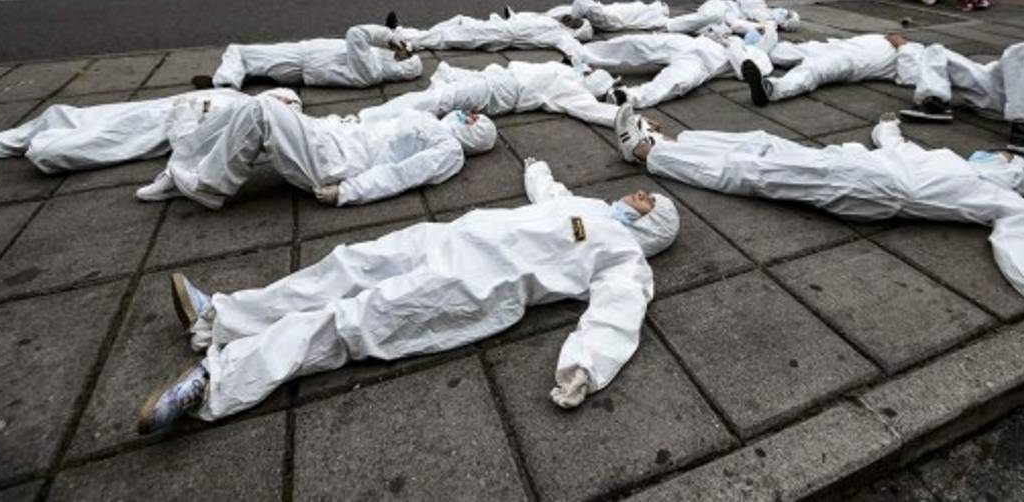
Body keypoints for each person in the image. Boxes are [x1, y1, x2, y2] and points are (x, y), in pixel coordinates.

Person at [136, 158, 680, 432]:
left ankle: (217, 382)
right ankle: (222, 317)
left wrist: (586, 366)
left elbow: (618, 314)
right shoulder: (589, 206)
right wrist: (535, 165)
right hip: (448, 238)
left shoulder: (625, 258)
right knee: (346, 265)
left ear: (652, 228)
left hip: (475, 286)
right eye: (646, 193)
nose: (640, 193)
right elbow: (550, 192)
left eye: (649, 202)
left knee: (353, 320)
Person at [614, 104, 1024, 347]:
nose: (994, 153)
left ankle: (649, 153)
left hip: (875, 188)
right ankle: (675, 141)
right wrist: (888, 125)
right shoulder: (948, 159)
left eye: (1004, 157)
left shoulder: (996, 193)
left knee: (757, 172)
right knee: (761, 143)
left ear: (1011, 172)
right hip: (861, 166)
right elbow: (893, 141)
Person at [136, 93, 497, 210]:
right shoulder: (429, 120)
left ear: (475, 136)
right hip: (333, 135)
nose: (469, 113)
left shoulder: (449, 150)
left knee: (260, 110)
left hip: (336, 162)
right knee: (267, 100)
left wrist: (350, 191)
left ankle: (210, 185)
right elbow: (373, 121)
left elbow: (403, 175)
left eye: (476, 120)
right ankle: (182, 165)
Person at [0, 88, 299, 173]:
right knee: (59, 116)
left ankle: (30, 147)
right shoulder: (235, 98)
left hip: (145, 130)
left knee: (58, 149)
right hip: (141, 111)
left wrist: (185, 115)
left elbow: (189, 142)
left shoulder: (241, 120)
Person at [358, 59, 620, 126]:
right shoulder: (566, 73)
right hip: (496, 80)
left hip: (500, 90)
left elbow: (594, 111)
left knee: (439, 100)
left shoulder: (572, 90)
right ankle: (380, 118)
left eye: (589, 73)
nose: (585, 71)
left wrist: (631, 121)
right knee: (443, 90)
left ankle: (370, 119)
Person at [579, 28, 773, 108]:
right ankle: (580, 54)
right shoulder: (728, 32)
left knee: (678, 82)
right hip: (686, 42)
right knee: (636, 42)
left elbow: (754, 70)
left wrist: (741, 55)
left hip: (703, 61)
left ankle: (628, 97)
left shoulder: (756, 53)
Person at [198, 25, 422, 90]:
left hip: (302, 61)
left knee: (239, 51)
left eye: (403, 55)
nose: (398, 51)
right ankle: (235, 78)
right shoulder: (374, 63)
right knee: (246, 57)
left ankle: (225, 86)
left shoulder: (371, 72)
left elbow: (356, 34)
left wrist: (387, 35)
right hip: (306, 54)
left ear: (400, 65)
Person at [743, 33, 915, 107]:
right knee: (783, 51)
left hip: (853, 61)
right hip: (835, 46)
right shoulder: (918, 48)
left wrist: (903, 45)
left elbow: (909, 77)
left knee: (813, 69)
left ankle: (771, 89)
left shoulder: (917, 56)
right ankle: (744, 56)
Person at [389, 8, 593, 61]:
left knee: (450, 36)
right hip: (497, 26)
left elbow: (575, 51)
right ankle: (402, 33)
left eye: (576, 22)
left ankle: (408, 43)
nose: (571, 19)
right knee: (458, 21)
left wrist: (579, 67)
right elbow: (524, 19)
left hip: (498, 36)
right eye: (576, 18)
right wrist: (510, 13)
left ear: (576, 30)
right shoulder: (551, 20)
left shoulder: (561, 36)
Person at [665, 0, 801, 36]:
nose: (783, 12)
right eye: (787, 11)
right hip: (722, 6)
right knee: (712, 16)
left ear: (783, 24)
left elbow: (737, 26)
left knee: (705, 28)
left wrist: (763, 24)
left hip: (724, 22)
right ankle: (666, 25)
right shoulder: (761, 6)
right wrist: (759, 15)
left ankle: (667, 27)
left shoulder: (767, 26)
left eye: (787, 16)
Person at [552, 0, 671, 32]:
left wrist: (574, 17)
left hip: (616, 18)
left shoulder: (654, 15)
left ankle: (572, 19)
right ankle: (572, 19)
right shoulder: (648, 11)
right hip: (616, 16)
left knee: (579, 3)